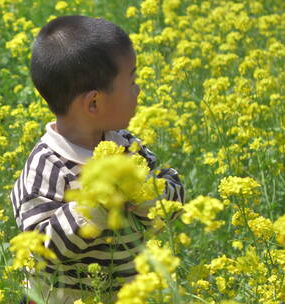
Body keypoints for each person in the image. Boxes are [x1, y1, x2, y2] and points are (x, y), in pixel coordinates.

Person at [9, 15, 185, 304]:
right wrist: (93, 206)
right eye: (132, 82)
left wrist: (148, 194)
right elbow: (38, 251)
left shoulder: (126, 145)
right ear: (94, 103)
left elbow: (173, 201)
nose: (138, 90)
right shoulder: (45, 167)